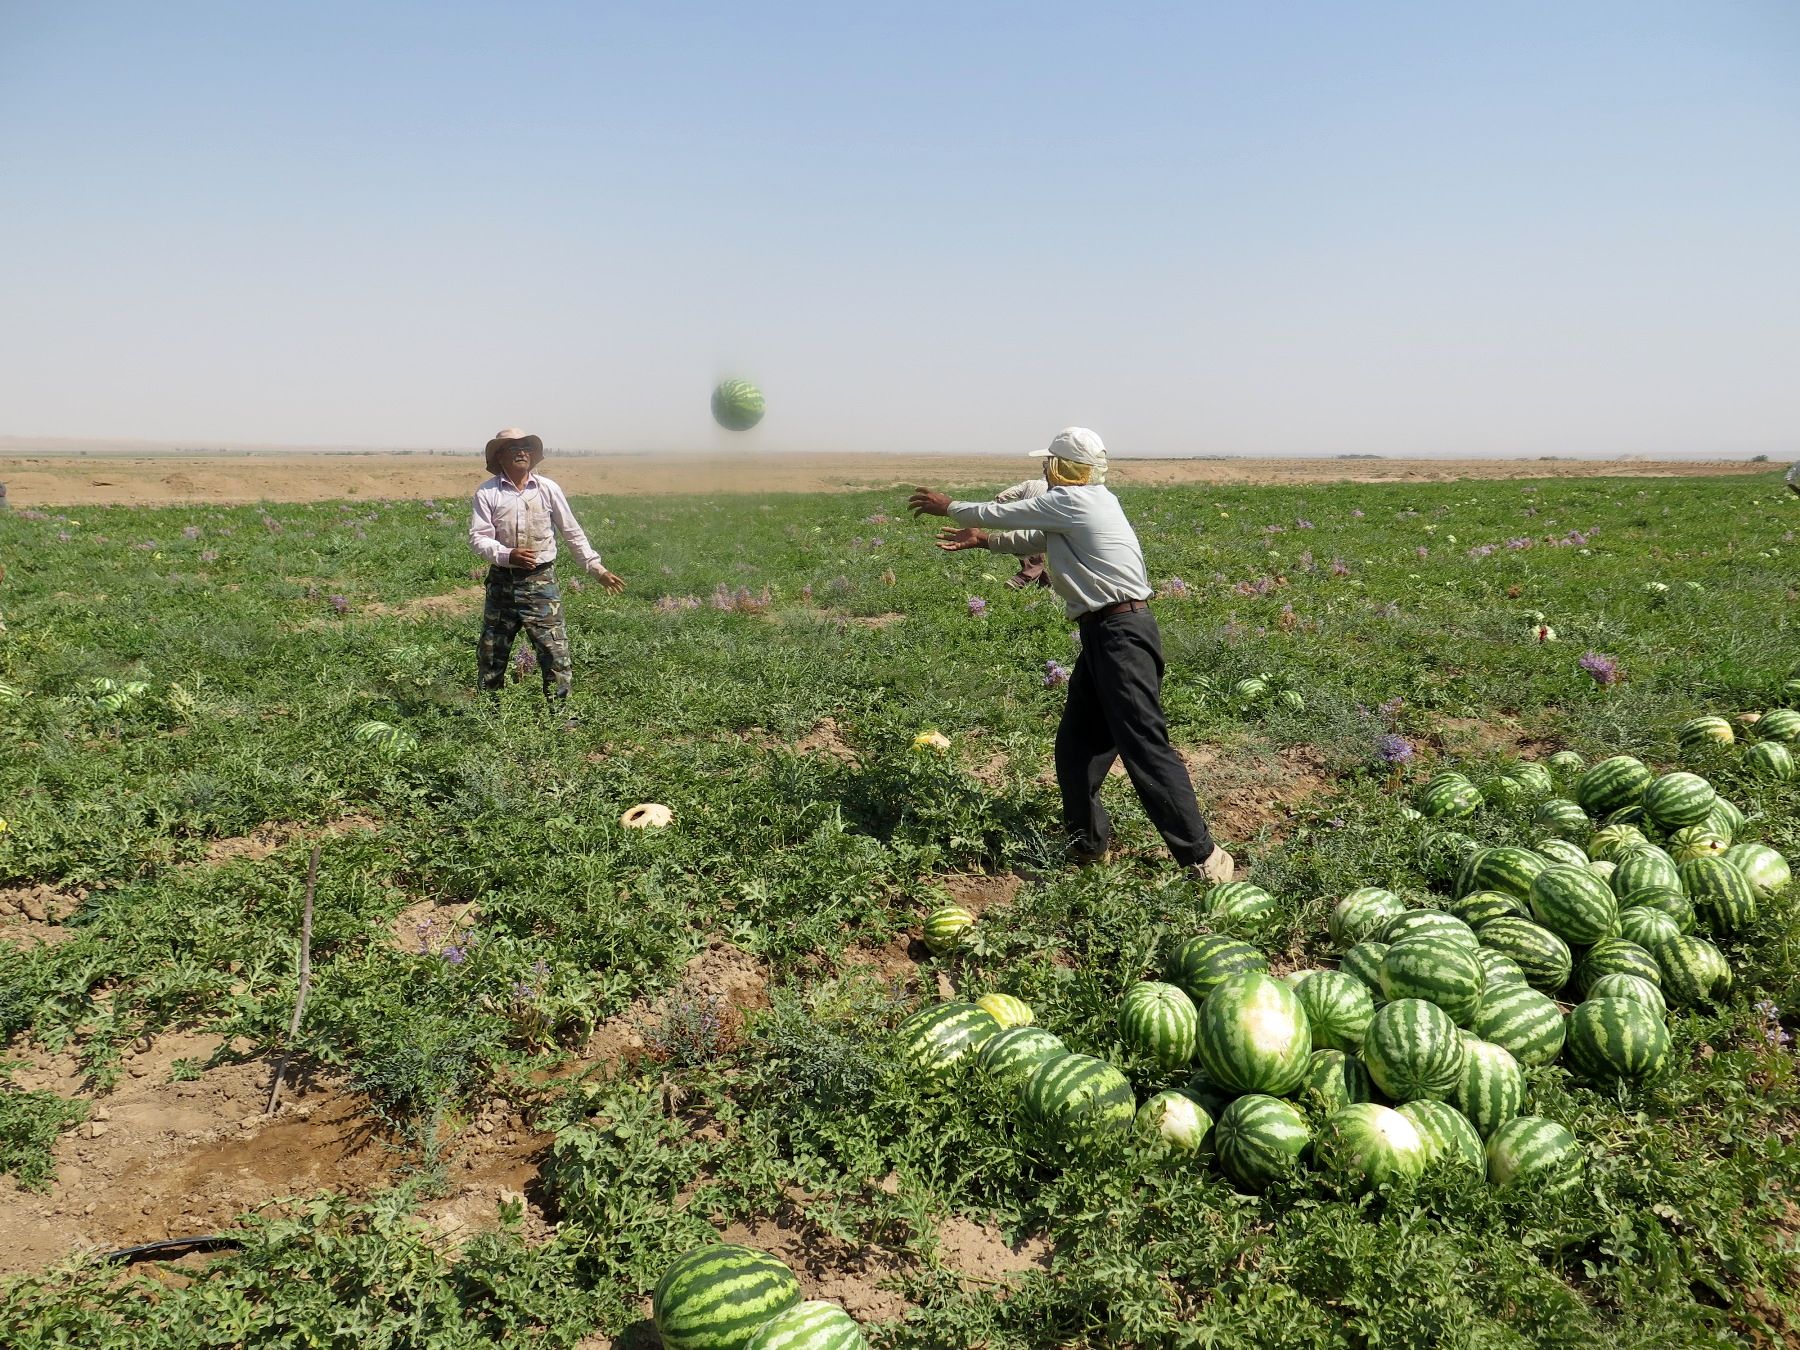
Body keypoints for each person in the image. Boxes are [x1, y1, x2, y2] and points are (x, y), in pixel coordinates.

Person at [908, 427, 1233, 883]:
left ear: (1062, 467)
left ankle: (1204, 859)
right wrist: (984, 541)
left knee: (1145, 747)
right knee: (1077, 745)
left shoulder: (1076, 500)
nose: (1044, 469)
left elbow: (1006, 513)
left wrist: (950, 507)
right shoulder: (1087, 504)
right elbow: (1040, 539)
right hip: (1104, 634)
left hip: (1123, 636)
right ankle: (1086, 846)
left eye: (1049, 463)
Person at [468, 428, 624, 714]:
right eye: (512, 447)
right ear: (499, 455)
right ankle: (489, 717)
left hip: (540, 581)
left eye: (526, 446)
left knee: (554, 651)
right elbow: (478, 538)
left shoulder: (548, 489)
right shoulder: (488, 492)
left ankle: (560, 716)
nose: (521, 451)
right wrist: (507, 554)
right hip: (502, 582)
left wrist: (595, 568)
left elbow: (571, 532)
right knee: (492, 652)